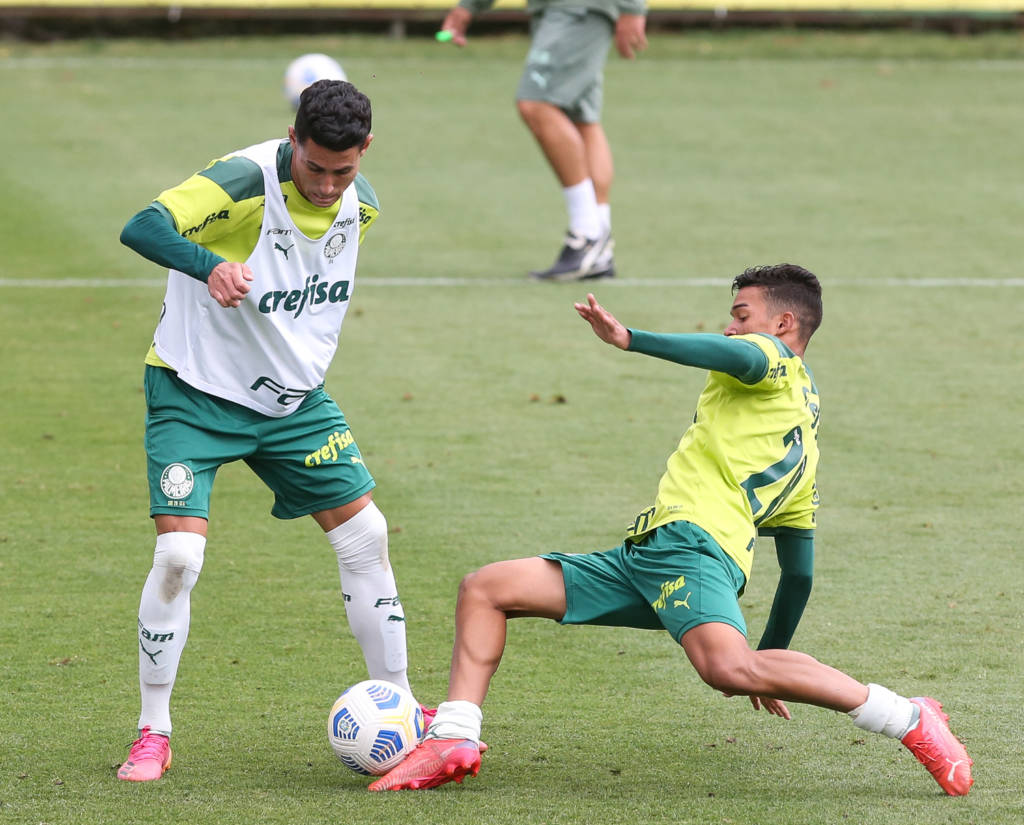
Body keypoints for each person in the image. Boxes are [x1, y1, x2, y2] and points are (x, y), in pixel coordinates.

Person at [368, 264, 973, 795]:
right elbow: (799, 573)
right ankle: (453, 737)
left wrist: (630, 338)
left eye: (742, 315)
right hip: (648, 555)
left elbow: (736, 355)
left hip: (692, 549)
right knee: (487, 588)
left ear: (784, 324)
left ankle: (908, 717)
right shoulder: (797, 443)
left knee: (726, 670)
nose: (732, 328)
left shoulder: (773, 361)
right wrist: (770, 659)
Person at [116, 80, 429, 781]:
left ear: (365, 150)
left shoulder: (362, 205)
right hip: (194, 394)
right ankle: (153, 730)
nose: (327, 185)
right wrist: (210, 266)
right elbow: (142, 226)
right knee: (179, 559)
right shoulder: (243, 180)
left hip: (292, 403)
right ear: (293, 139)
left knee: (368, 537)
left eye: (342, 170)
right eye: (314, 166)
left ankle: (406, 709)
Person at [439, 0, 648, 281]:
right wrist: (469, 7)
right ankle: (598, 249)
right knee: (580, 118)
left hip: (579, 9)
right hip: (562, 10)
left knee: (536, 104)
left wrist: (633, 8)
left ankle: (588, 236)